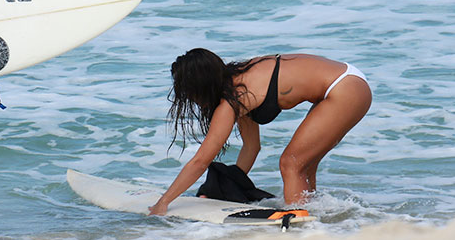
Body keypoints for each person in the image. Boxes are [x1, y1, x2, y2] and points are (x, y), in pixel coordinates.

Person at [148, 49, 371, 215]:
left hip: (345, 88)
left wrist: (164, 202)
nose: (190, 99)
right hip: (348, 81)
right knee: (303, 166)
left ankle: (298, 227)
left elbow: (200, 161)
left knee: (291, 163)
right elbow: (251, 147)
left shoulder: (235, 98)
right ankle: (311, 216)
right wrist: (226, 187)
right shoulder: (239, 83)